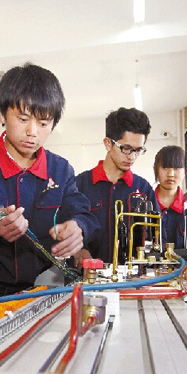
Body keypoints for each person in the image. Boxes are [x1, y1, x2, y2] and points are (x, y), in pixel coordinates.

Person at [0, 63, 99, 299]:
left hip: (41, 289)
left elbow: (82, 213)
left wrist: (78, 227)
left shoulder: (60, 170)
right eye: (23, 119)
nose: (32, 132)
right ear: (2, 114)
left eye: (43, 123)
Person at [74, 107, 159, 266]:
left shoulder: (144, 190)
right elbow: (63, 230)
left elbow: (157, 238)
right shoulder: (80, 185)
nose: (132, 157)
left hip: (134, 277)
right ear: (108, 144)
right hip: (87, 277)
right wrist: (78, 250)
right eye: (126, 148)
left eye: (138, 150)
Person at [154, 145, 186, 249]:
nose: (171, 174)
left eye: (176, 168)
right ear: (155, 169)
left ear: (185, 171)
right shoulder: (146, 205)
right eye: (165, 167)